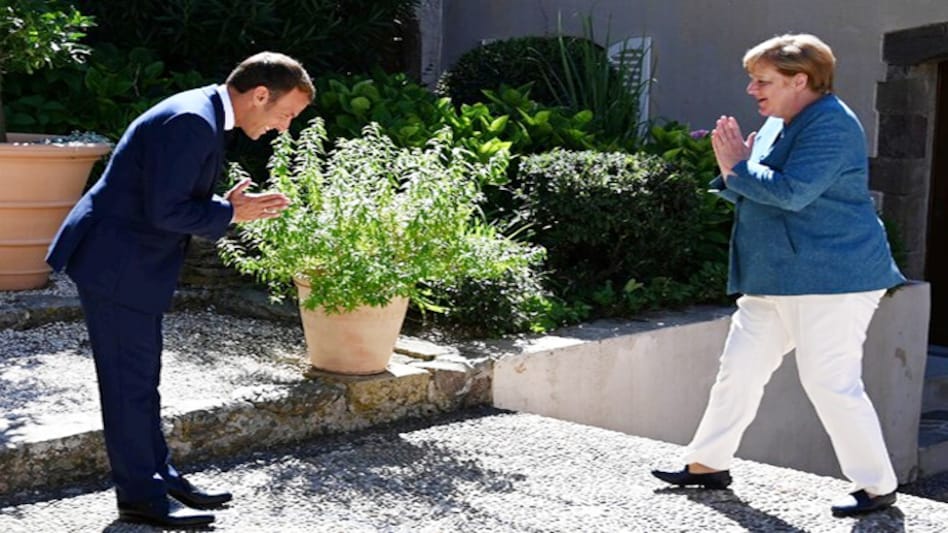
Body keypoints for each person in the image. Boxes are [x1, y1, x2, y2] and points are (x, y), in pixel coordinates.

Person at [46, 51, 314, 528]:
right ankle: (141, 499)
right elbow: (166, 212)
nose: (285, 127)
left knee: (141, 381)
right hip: (117, 266)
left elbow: (165, 196)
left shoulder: (200, 112)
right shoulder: (192, 120)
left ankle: (159, 477)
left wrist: (223, 207)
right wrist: (232, 214)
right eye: (287, 114)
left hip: (125, 261)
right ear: (258, 95)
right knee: (130, 385)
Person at [651, 34, 905, 518]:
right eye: (752, 79)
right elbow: (754, 185)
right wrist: (737, 172)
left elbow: (791, 193)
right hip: (775, 277)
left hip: (833, 278)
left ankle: (876, 487)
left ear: (800, 80)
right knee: (739, 370)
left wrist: (735, 169)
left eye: (762, 80)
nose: (751, 89)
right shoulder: (775, 123)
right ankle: (708, 464)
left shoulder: (832, 125)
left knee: (831, 383)